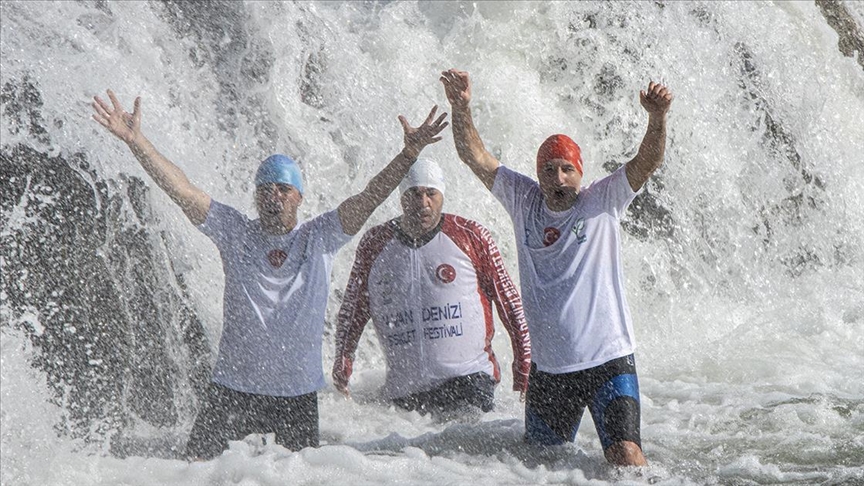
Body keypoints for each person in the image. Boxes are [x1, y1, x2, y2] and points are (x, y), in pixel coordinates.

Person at [91, 89, 448, 459]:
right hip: (233, 388)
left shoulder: (320, 237)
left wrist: (409, 154)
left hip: (295, 395)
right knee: (195, 472)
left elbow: (369, 196)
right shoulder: (235, 232)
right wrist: (136, 141)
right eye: (265, 189)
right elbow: (181, 189)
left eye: (283, 188)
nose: (273, 196)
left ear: (299, 197)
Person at [440, 69, 673, 466]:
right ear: (538, 176)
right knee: (540, 466)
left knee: (627, 456)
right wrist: (460, 106)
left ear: (581, 174)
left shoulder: (604, 201)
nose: (558, 178)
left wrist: (657, 118)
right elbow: (473, 156)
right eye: (549, 170)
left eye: (567, 169)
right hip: (550, 369)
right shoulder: (523, 200)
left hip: (607, 360)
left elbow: (647, 160)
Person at [331, 158, 531, 420]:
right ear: (402, 198)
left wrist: (524, 368)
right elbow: (352, 311)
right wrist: (343, 362)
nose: (423, 202)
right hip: (405, 392)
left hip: (468, 382)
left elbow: (510, 304)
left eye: (431, 193)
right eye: (414, 193)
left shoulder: (470, 235)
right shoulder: (375, 243)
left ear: (442, 195)